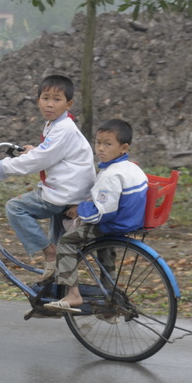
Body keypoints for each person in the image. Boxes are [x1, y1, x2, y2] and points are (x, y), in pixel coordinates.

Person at [0, 74, 96, 283]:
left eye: (57, 99)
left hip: (63, 192)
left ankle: (48, 253)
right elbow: (50, 153)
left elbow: (39, 160)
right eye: (45, 98)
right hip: (74, 190)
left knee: (15, 208)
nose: (50, 104)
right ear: (38, 100)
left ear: (69, 104)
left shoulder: (63, 129)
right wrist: (36, 150)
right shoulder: (58, 124)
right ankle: (61, 293)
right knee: (63, 248)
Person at [44, 119, 148, 315]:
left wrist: (80, 208)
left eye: (108, 144)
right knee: (106, 250)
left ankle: (72, 294)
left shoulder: (110, 174)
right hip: (128, 223)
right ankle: (108, 294)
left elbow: (102, 212)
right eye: (98, 142)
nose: (100, 148)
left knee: (66, 242)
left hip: (111, 223)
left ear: (123, 147)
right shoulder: (132, 168)